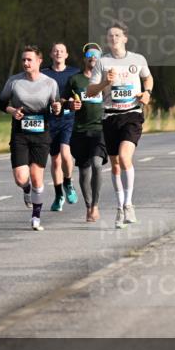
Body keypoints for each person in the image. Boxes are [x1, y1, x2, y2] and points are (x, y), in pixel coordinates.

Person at [85, 21, 153, 229]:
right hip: (110, 116)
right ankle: (119, 208)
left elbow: (148, 78)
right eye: (110, 36)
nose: (113, 39)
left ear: (125, 38)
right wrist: (105, 82)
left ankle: (129, 204)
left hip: (131, 115)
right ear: (107, 40)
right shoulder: (102, 63)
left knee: (125, 158)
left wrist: (147, 93)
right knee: (115, 164)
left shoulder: (137, 59)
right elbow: (90, 92)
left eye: (117, 35)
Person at [0, 45, 62, 231]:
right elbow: (1, 103)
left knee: (36, 176)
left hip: (42, 133)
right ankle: (26, 190)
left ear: (39, 61)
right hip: (20, 133)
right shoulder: (14, 81)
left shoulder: (50, 83)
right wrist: (12, 110)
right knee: (21, 178)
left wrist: (57, 108)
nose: (25, 63)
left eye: (29, 60)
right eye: (23, 60)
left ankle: (36, 217)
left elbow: (55, 105)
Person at [66, 43, 107, 222]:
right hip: (80, 130)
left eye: (96, 55)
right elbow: (64, 99)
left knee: (97, 165)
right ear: (84, 59)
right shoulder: (75, 80)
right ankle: (89, 206)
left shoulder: (105, 79)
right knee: (84, 171)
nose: (93, 58)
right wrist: (70, 104)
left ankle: (96, 206)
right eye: (89, 55)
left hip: (101, 128)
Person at [41, 43, 80, 212]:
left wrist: (74, 102)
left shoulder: (74, 73)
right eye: (55, 50)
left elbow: (80, 94)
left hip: (68, 120)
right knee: (55, 160)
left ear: (66, 55)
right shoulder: (43, 73)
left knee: (66, 154)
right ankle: (58, 196)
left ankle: (69, 183)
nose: (58, 53)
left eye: (61, 51)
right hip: (50, 122)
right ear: (51, 54)